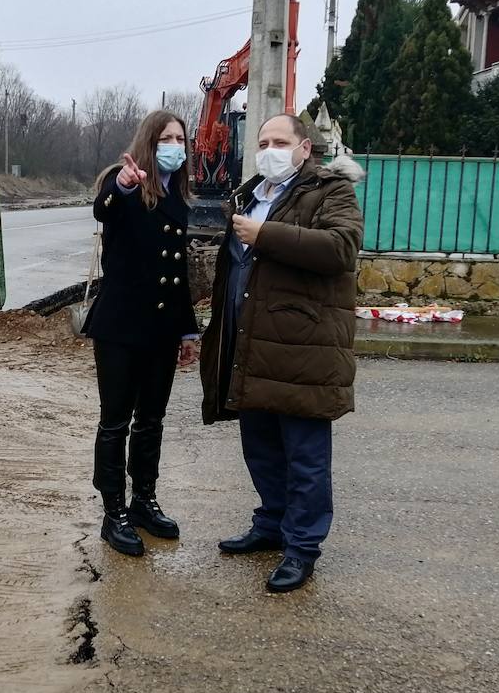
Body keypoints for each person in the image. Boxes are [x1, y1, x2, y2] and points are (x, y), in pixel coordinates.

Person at [199, 114, 364, 593]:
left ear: (304, 148)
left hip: (302, 349)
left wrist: (265, 235)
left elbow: (341, 248)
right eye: (263, 142)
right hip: (251, 346)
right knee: (262, 450)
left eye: (280, 141)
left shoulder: (330, 191)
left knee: (306, 459)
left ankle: (301, 548)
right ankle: (271, 525)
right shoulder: (250, 194)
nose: (269, 149)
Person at [81, 109, 200, 557]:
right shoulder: (125, 183)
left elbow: (178, 273)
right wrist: (124, 186)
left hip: (161, 330)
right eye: (167, 137)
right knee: (115, 422)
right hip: (120, 326)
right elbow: (103, 209)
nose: (175, 145)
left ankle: (143, 501)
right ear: (150, 142)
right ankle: (114, 513)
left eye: (180, 138)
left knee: (151, 421)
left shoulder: (178, 196)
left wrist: (187, 332)